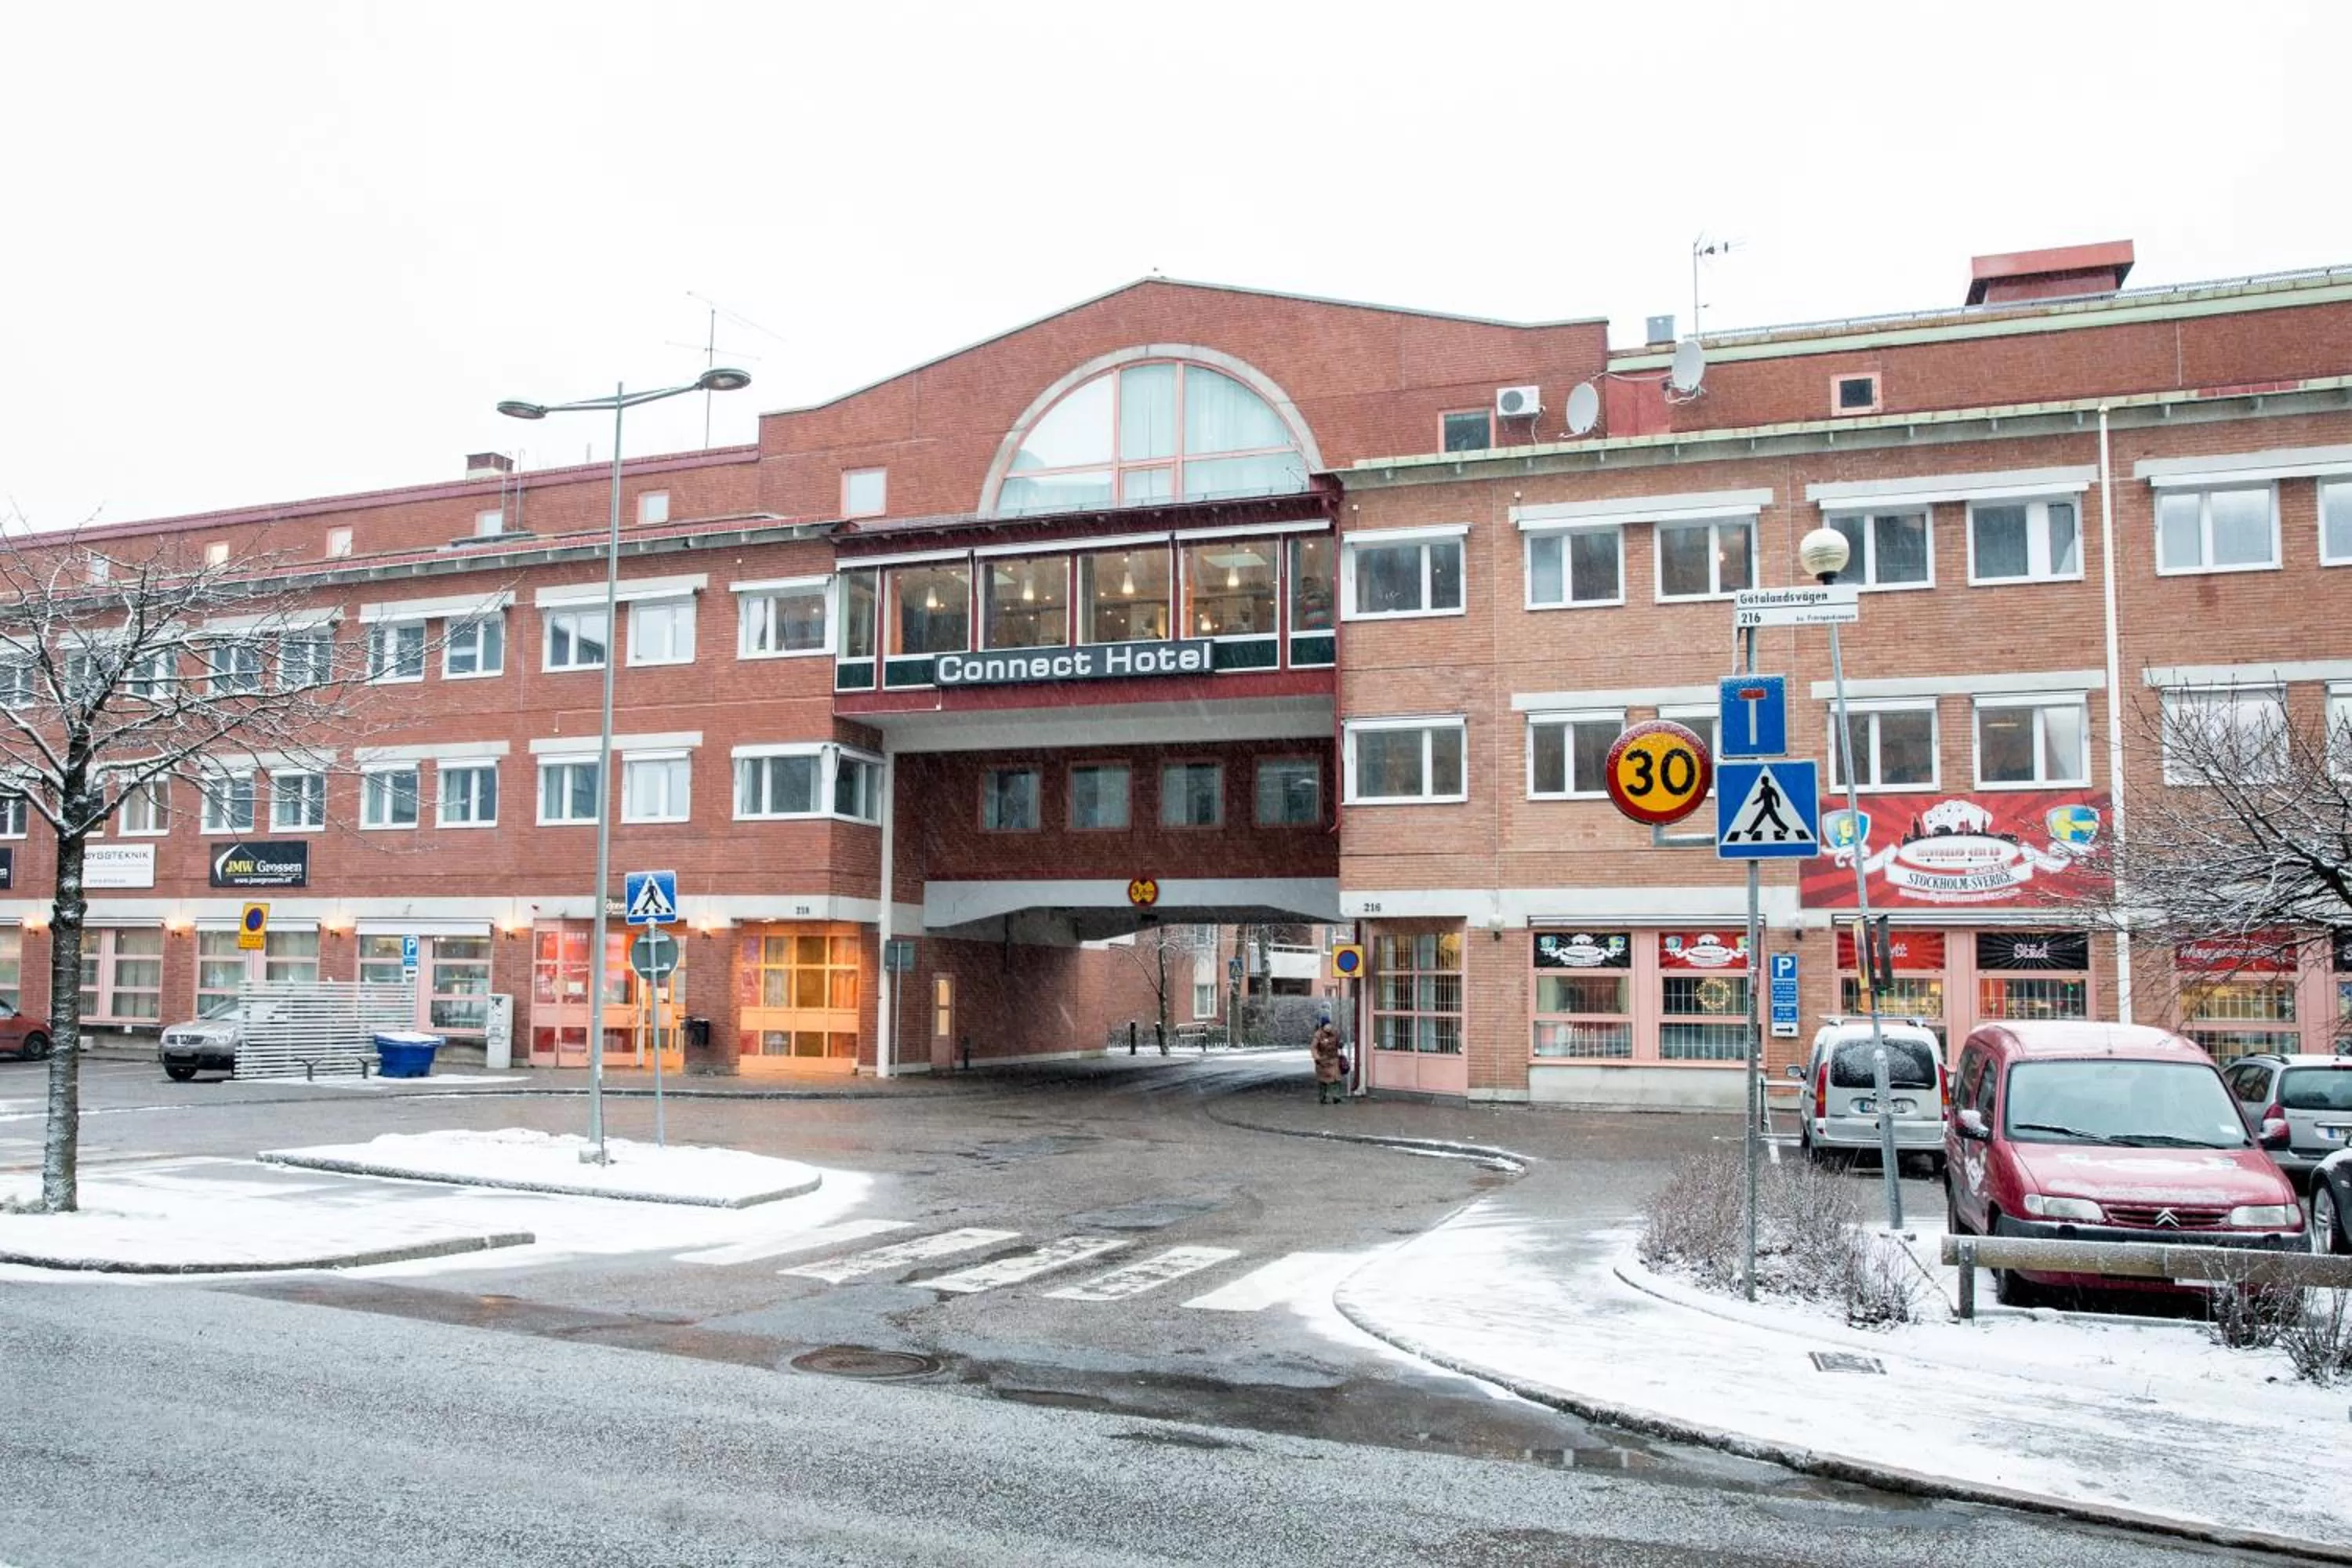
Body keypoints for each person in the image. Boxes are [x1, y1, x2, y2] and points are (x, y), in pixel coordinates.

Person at [1311, 1014, 1346, 1105]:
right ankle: (1322, 1098)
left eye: (1330, 1025)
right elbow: (1314, 1048)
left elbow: (1339, 1042)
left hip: (1334, 1059)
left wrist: (1341, 1044)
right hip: (1323, 1061)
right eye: (1327, 1025)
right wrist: (1317, 1058)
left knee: (1336, 1079)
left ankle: (1336, 1097)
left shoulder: (1335, 1033)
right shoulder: (1318, 1035)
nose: (1329, 1027)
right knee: (1324, 1081)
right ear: (1323, 1026)